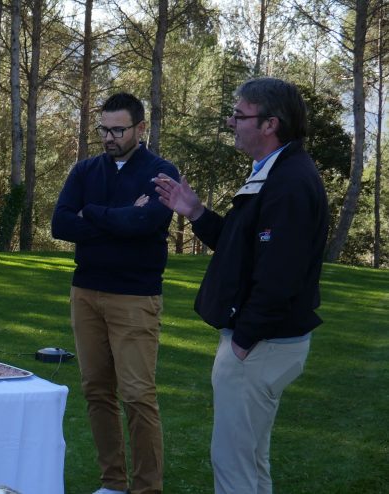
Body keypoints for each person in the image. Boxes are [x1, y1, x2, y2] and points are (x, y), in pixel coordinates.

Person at [154, 77, 327, 494]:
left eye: (239, 114)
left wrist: (243, 342)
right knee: (249, 458)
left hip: (260, 345)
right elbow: (243, 247)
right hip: (262, 342)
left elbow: (279, 275)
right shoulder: (275, 172)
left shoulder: (289, 183)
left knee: (233, 462)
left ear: (270, 124)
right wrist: (196, 212)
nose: (231, 122)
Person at [50, 93, 178, 494]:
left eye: (118, 129)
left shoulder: (160, 171)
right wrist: (119, 219)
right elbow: (60, 224)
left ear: (140, 129)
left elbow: (147, 221)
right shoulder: (86, 170)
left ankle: (146, 488)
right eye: (103, 129)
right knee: (96, 391)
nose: (109, 137)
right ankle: (113, 483)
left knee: (138, 395)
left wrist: (93, 213)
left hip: (135, 297)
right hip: (86, 291)